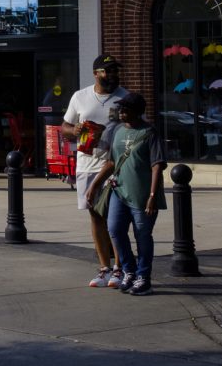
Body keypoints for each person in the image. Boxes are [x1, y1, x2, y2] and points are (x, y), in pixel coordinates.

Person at [86, 92, 167, 296]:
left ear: (138, 112)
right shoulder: (118, 132)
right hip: (119, 191)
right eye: (120, 109)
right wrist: (94, 185)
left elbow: (157, 165)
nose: (121, 112)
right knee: (115, 230)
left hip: (141, 195)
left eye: (126, 109)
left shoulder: (150, 133)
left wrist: (152, 195)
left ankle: (143, 277)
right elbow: (112, 162)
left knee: (143, 236)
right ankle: (129, 271)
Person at [62, 54, 128, 289]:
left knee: (117, 218)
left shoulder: (125, 98)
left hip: (118, 166)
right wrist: (75, 129)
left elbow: (139, 126)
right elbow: (65, 127)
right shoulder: (80, 97)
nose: (112, 75)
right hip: (87, 164)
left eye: (114, 71)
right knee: (96, 216)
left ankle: (121, 268)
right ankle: (104, 267)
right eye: (107, 71)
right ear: (95, 73)